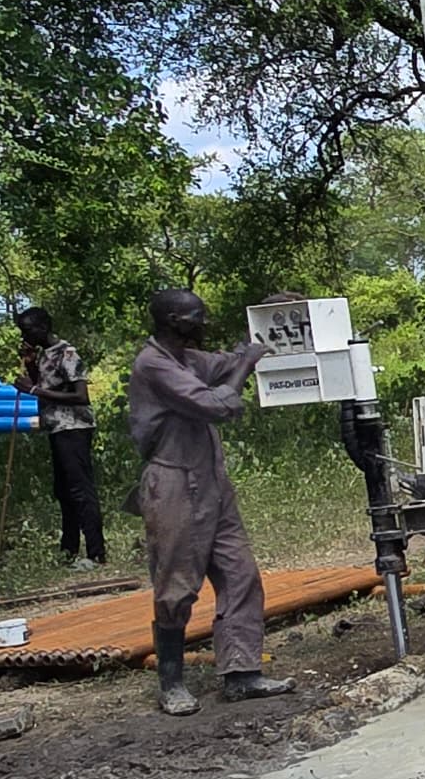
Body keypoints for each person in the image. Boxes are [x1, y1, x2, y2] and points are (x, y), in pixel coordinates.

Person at [126, 288, 291, 715]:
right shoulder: (154, 364)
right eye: (196, 315)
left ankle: (242, 673)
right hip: (174, 483)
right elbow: (216, 405)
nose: (204, 321)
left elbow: (229, 360)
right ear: (173, 320)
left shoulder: (188, 358)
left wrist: (269, 319)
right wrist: (247, 364)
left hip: (212, 481)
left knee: (240, 575)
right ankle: (171, 683)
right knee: (177, 586)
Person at [15, 305, 105, 567]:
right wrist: (31, 366)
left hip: (73, 427)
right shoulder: (45, 355)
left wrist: (33, 390)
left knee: (80, 489)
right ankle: (69, 549)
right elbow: (45, 384)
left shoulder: (67, 353)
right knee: (64, 491)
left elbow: (81, 396)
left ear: (44, 327)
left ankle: (96, 552)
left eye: (28, 330)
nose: (25, 336)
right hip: (56, 427)